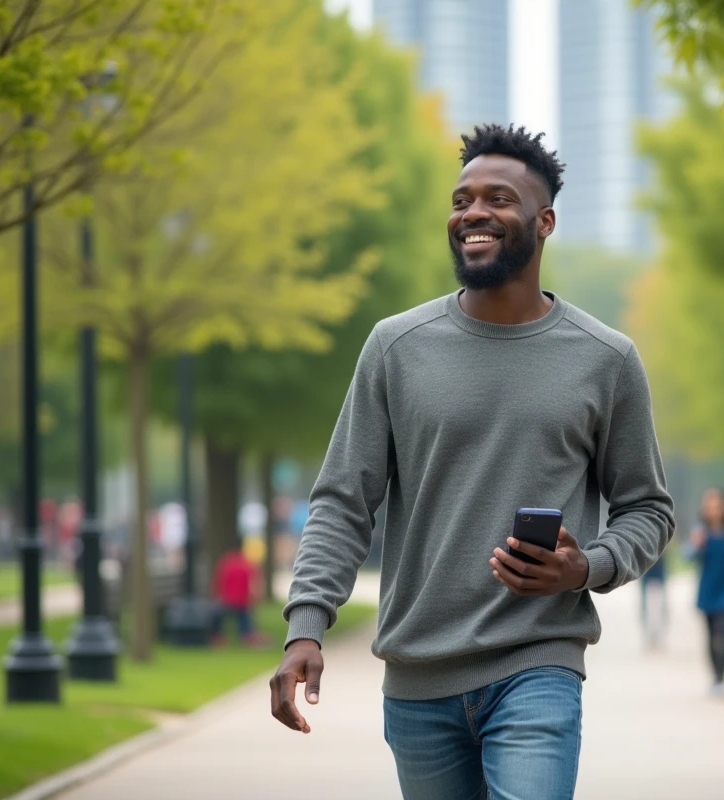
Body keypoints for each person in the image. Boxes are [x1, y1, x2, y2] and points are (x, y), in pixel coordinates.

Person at [269, 124, 675, 800]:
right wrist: (304, 626)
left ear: (543, 221)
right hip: (419, 676)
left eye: (498, 198)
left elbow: (647, 508)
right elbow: (343, 500)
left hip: (538, 662)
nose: (473, 213)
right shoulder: (396, 347)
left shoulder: (606, 359)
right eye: (461, 201)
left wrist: (587, 565)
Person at [686, 488, 724, 697]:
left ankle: (722, 679)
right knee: (711, 636)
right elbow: (688, 557)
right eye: (710, 506)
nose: (714, 510)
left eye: (717, 506)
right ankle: (715, 677)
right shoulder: (700, 532)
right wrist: (697, 544)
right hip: (707, 590)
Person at [212, 539, 263, 648]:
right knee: (245, 626)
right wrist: (255, 599)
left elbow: (218, 581)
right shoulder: (246, 563)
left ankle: (218, 639)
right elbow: (253, 583)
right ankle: (249, 638)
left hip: (227, 600)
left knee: (219, 622)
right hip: (242, 601)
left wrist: (217, 596)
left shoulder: (225, 562)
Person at [639, 549, 668, 651]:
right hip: (648, 579)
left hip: (657, 578)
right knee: (648, 610)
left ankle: (656, 637)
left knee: (658, 611)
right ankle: (650, 637)